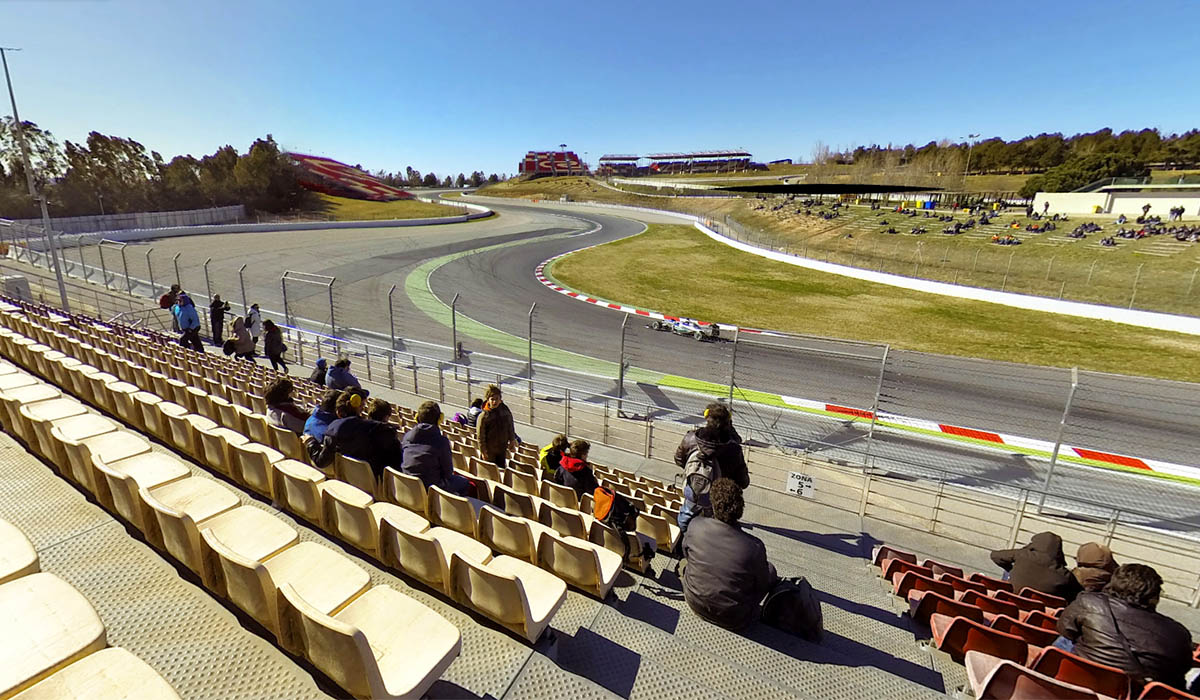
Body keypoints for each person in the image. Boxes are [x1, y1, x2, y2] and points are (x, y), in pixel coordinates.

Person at [1057, 564, 1193, 691]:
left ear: (1112, 585)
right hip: (1134, 692)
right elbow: (1182, 669)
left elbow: (1063, 629)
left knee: (1066, 640)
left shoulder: (1088, 602)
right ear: (1154, 597)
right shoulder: (1178, 633)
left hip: (1078, 683)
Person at [681, 478, 779, 631]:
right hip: (734, 618)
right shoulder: (754, 547)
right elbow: (762, 585)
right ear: (740, 508)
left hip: (694, 601)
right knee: (770, 570)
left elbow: (686, 553)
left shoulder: (695, 525)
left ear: (713, 505)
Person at [674, 403, 749, 534]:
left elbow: (678, 459)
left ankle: (685, 538)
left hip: (693, 489)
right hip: (717, 498)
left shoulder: (690, 437)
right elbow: (743, 482)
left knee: (685, 516)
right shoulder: (734, 449)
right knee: (713, 528)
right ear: (728, 423)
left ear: (706, 418)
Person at [307, 390, 404, 482]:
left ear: (338, 412)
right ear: (360, 408)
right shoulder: (382, 430)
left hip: (351, 480)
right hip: (378, 482)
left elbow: (321, 462)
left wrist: (310, 442)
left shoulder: (333, 430)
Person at [401, 400, 470, 496]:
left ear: (418, 418)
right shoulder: (441, 442)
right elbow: (448, 473)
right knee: (465, 482)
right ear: (439, 419)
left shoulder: (407, 436)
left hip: (409, 486)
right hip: (431, 488)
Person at [989, 531, 1081, 601]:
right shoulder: (1065, 575)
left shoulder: (1023, 555)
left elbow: (995, 556)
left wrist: (1010, 568)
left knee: (1010, 570)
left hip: (1012, 599)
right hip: (1039, 612)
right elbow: (1075, 593)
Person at [476, 384, 518, 470]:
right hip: (490, 451)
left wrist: (512, 440)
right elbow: (480, 436)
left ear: (500, 399)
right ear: (488, 400)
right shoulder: (484, 415)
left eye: (497, 399)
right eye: (492, 399)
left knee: (501, 470)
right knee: (491, 471)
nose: (494, 402)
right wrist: (483, 451)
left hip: (502, 449)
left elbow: (510, 425)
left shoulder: (505, 410)